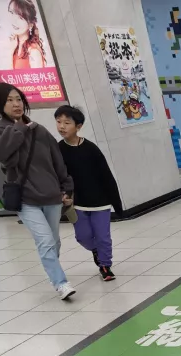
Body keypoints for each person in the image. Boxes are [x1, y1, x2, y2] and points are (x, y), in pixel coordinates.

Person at [0, 84, 75, 300]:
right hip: (25, 199)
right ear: (0, 104)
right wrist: (18, 128)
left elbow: (57, 161)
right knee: (44, 241)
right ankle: (61, 283)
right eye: (9, 100)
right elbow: (3, 155)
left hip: (51, 195)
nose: (16, 104)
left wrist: (66, 188)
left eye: (18, 99)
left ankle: (54, 269)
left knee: (54, 241)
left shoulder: (39, 130)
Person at [54, 105, 122, 282]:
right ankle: (96, 250)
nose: (62, 126)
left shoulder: (91, 149)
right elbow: (56, 175)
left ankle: (105, 266)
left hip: (100, 201)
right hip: (75, 203)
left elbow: (106, 176)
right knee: (82, 236)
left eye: (67, 123)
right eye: (59, 122)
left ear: (78, 126)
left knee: (103, 236)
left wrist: (117, 204)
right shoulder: (57, 150)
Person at [8, 0, 45, 69]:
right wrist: (11, 50)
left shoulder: (33, 51)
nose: (14, 20)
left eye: (20, 18)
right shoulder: (15, 46)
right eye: (11, 13)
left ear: (30, 24)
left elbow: (38, 78)